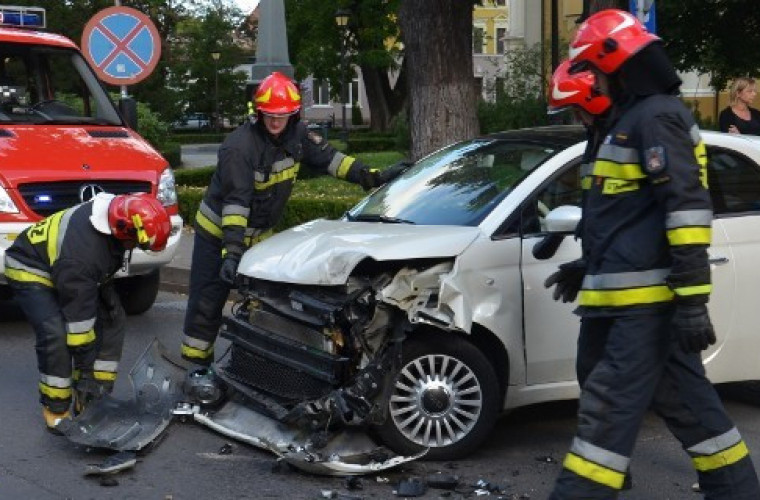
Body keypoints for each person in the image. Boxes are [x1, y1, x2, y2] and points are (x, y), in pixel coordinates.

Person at [545, 9, 760, 499]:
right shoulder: (621, 124)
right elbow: (628, 218)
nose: (591, 86)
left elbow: (686, 211)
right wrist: (586, 264)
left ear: (613, 63)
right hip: (620, 303)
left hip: (644, 308)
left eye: (593, 72)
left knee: (607, 411)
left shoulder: (656, 118)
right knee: (691, 406)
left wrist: (690, 302)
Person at [180, 71, 407, 367]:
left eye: (283, 115)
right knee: (207, 302)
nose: (276, 122)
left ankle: (256, 365)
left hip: (259, 234)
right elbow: (236, 202)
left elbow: (332, 160)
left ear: (294, 113)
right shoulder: (239, 147)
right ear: (258, 112)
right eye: (270, 115)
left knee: (269, 304)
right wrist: (231, 253)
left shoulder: (298, 135)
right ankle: (196, 368)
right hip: (218, 234)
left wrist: (372, 177)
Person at [4, 193, 172, 432]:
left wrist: (90, 383)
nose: (135, 247)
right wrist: (84, 371)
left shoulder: (118, 213)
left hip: (72, 267)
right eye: (136, 243)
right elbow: (79, 324)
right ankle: (56, 409)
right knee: (57, 335)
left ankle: (96, 396)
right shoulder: (82, 255)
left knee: (113, 319)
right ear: (124, 230)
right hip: (31, 267)